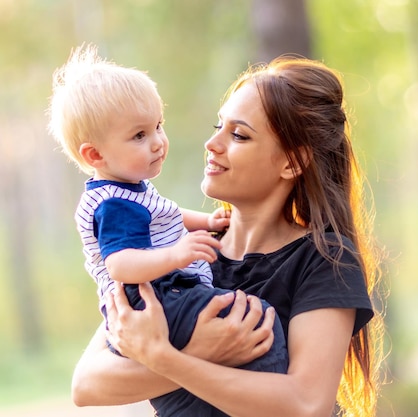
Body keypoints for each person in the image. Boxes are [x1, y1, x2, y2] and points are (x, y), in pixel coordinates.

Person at [71, 55, 385, 417]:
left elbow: (306, 403)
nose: (212, 143)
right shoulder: (178, 250)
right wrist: (201, 352)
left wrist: (165, 359)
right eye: (217, 126)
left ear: (292, 163)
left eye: (238, 135)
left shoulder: (324, 258)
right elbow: (87, 385)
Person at [47, 45, 289, 415]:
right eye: (139, 135)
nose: (158, 142)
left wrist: (206, 222)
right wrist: (176, 255)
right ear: (95, 156)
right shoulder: (114, 205)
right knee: (256, 321)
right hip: (156, 296)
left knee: (194, 387)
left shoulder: (131, 190)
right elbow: (121, 265)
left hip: (163, 295)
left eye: (158, 126)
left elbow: (169, 214)